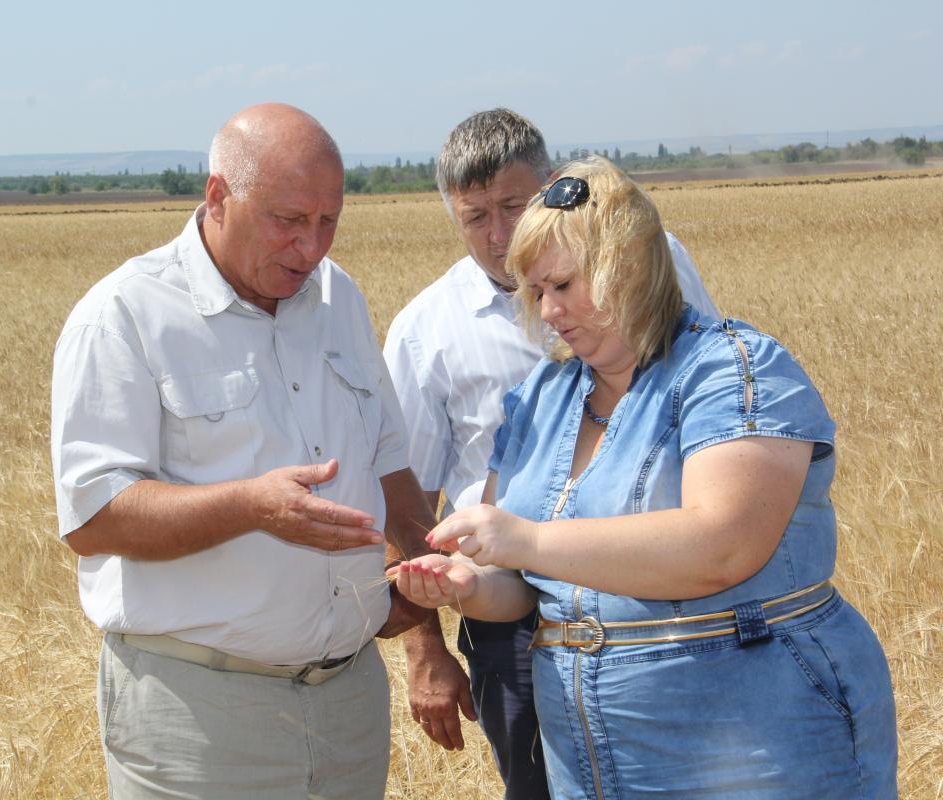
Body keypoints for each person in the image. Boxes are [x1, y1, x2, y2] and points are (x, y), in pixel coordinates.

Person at [389, 155, 898, 798]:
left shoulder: (735, 371)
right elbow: (518, 589)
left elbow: (722, 547)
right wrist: (465, 585)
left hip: (756, 746)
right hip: (591, 758)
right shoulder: (542, 397)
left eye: (563, 285)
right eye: (536, 292)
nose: (547, 312)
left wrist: (522, 540)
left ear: (625, 267)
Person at [50, 103, 461, 800]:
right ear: (218, 197)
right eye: (288, 220)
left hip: (350, 701)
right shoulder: (124, 316)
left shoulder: (339, 301)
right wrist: (250, 507)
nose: (311, 247)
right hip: (201, 718)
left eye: (328, 221)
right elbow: (94, 514)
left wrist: (435, 573)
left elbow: (389, 463)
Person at [382, 108, 720, 798]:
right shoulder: (425, 331)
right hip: (511, 615)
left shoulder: (656, 259)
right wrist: (427, 653)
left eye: (513, 205)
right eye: (474, 217)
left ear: (553, 184)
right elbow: (406, 501)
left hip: (665, 594)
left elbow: (712, 392)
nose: (499, 235)